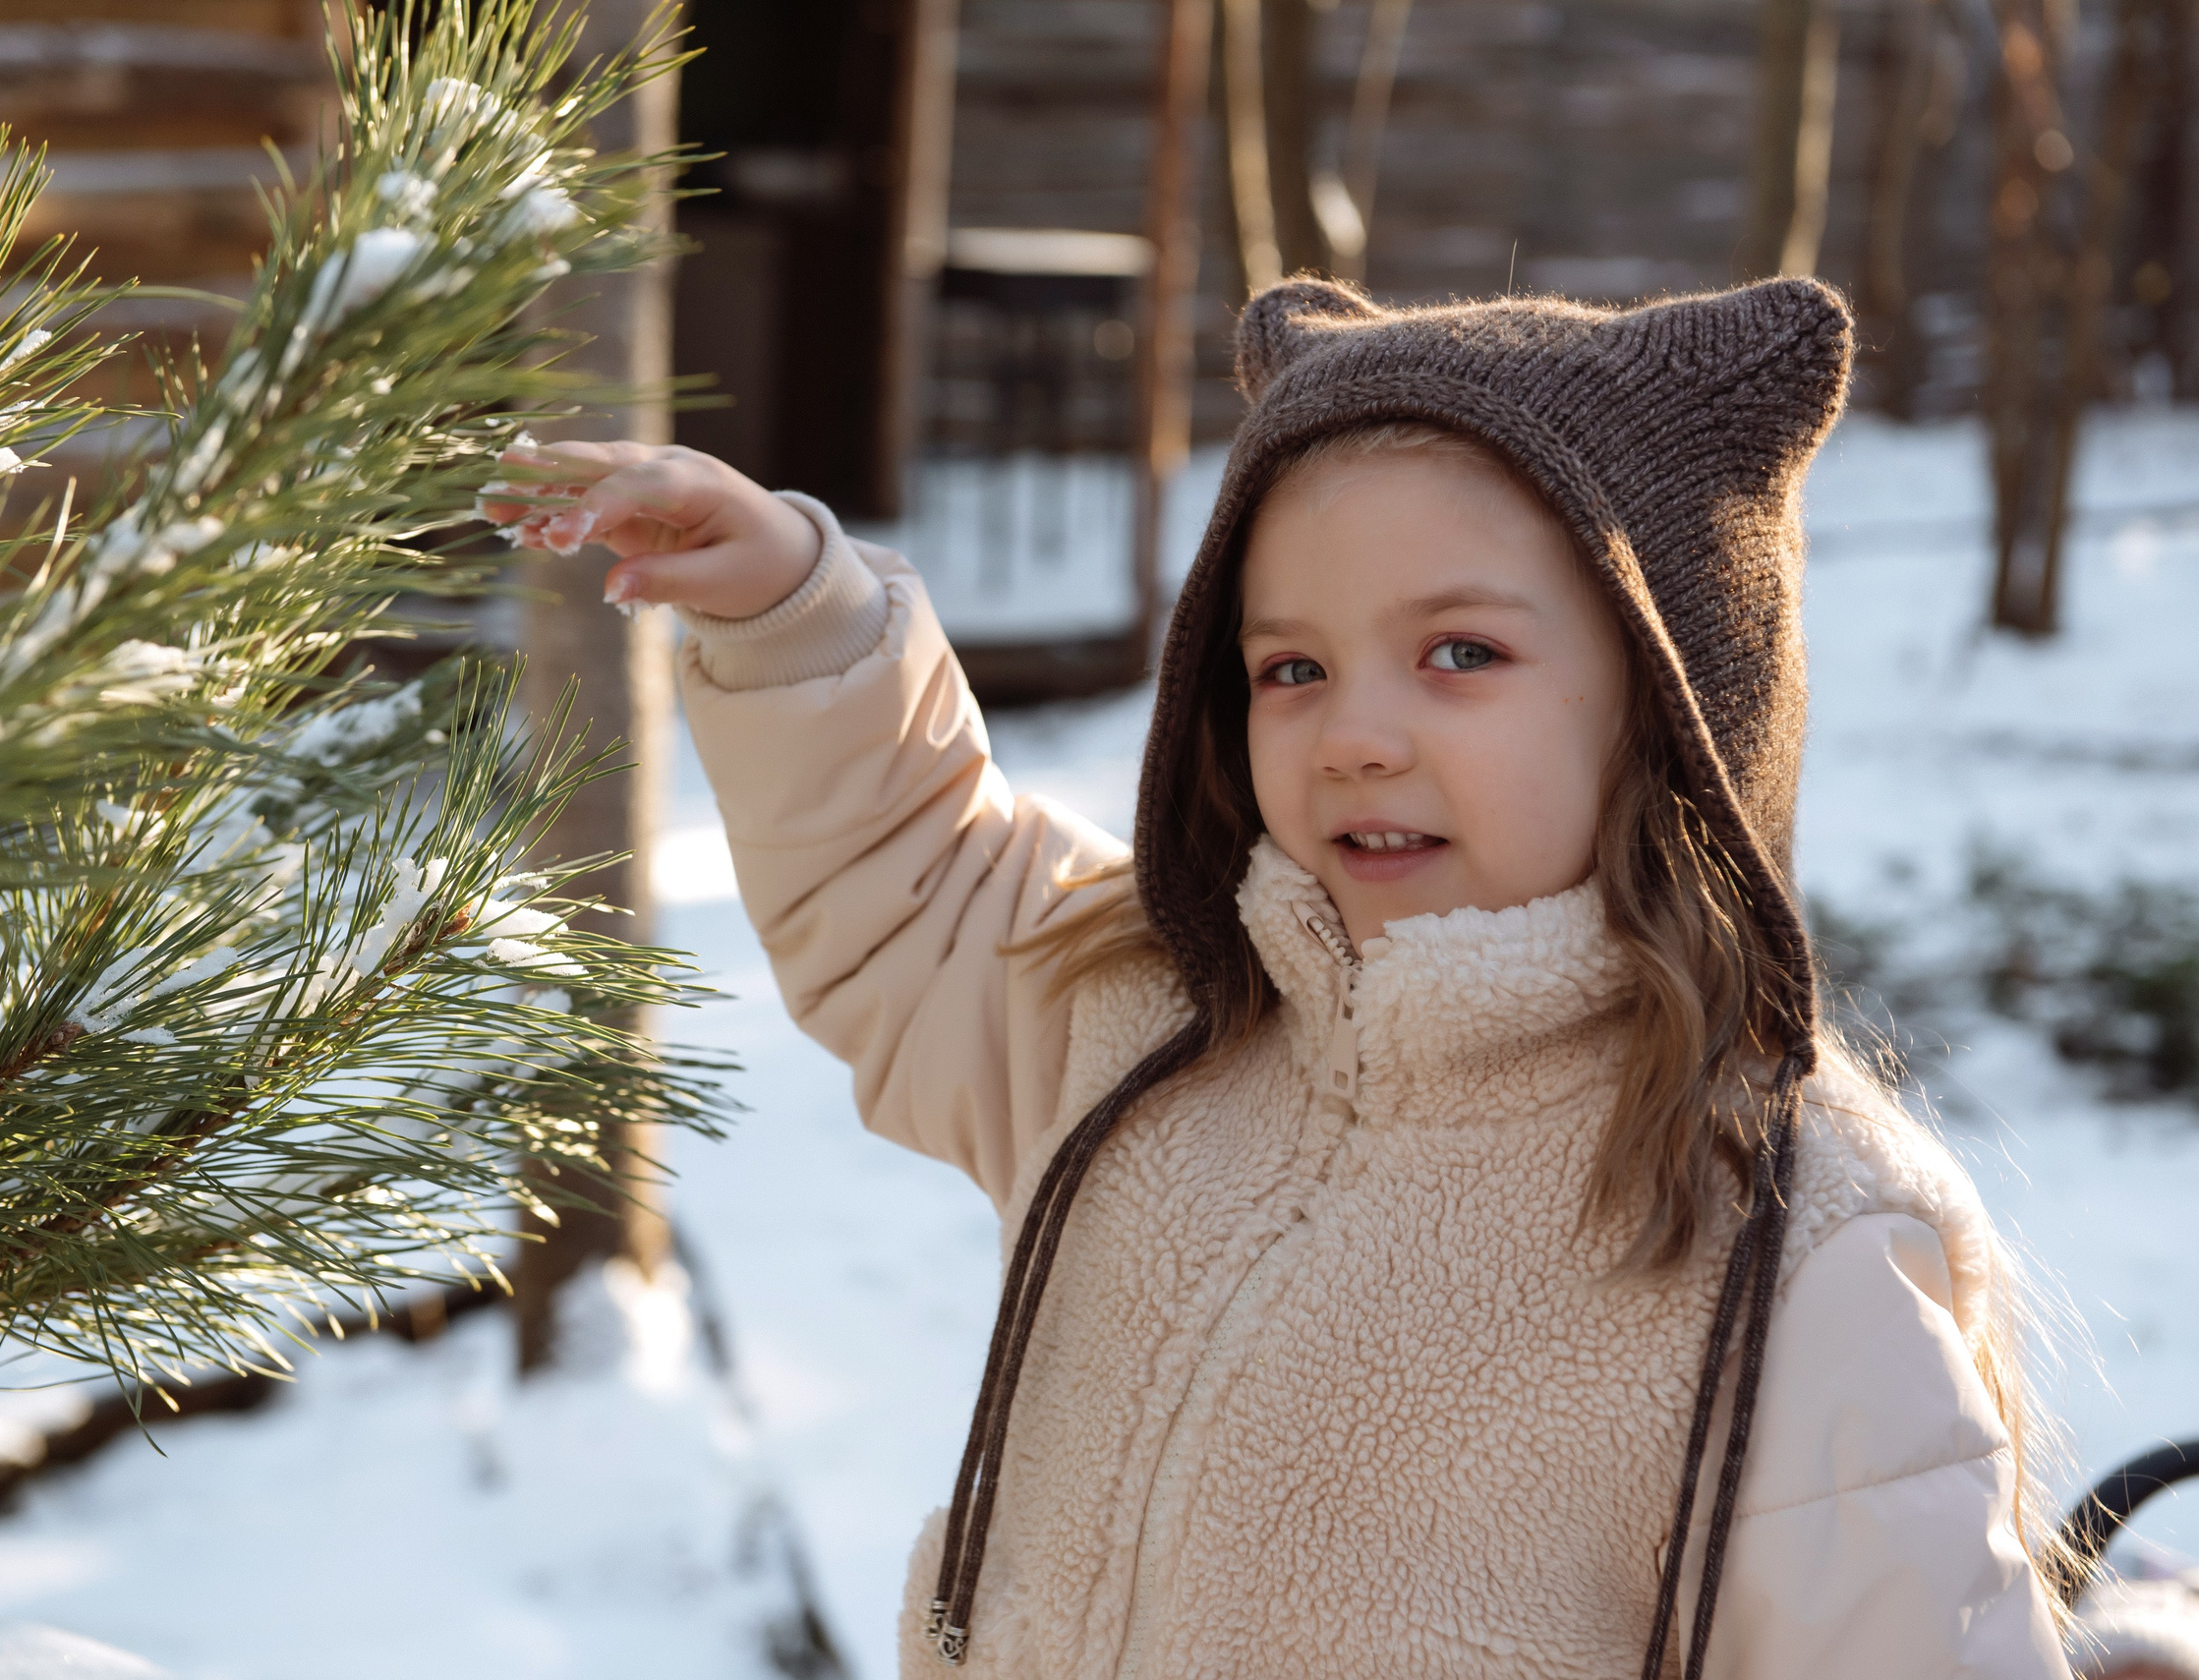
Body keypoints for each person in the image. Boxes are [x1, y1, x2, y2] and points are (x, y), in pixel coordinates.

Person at [486, 276, 2074, 1678]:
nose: (1357, 731)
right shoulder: (1157, 1024)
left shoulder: (1786, 1238)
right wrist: (791, 611)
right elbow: (917, 888)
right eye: (1292, 666)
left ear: (1670, 707)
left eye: (1461, 652)